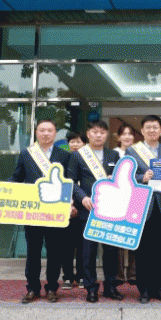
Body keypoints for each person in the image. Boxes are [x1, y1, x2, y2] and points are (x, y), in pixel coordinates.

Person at [11, 119, 71, 303]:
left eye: (50, 130)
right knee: (33, 252)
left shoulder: (64, 155)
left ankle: (52, 288)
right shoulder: (27, 153)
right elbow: (17, 177)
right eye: (42, 130)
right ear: (36, 132)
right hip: (33, 212)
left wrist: (71, 203)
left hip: (55, 212)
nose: (46, 133)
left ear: (55, 133)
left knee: (54, 252)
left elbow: (69, 181)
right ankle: (32, 289)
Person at [67, 120, 122, 303]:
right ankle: (91, 288)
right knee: (88, 252)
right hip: (87, 210)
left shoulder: (114, 154)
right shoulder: (78, 155)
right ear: (88, 134)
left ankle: (111, 286)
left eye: (102, 132)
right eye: (95, 132)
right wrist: (82, 197)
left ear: (106, 135)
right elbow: (71, 182)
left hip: (109, 210)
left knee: (111, 251)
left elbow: (121, 180)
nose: (98, 135)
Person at [125, 115, 161, 303]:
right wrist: (142, 178)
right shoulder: (132, 151)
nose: (152, 130)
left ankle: (159, 289)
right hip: (142, 207)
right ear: (142, 130)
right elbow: (127, 177)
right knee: (143, 252)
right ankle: (144, 290)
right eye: (148, 127)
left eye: (155, 127)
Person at [61, 131, 85, 290]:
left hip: (84, 207)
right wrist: (69, 204)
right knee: (67, 245)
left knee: (83, 245)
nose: (75, 144)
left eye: (78, 141)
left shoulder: (88, 160)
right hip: (66, 208)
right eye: (72, 142)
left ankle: (82, 276)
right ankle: (68, 277)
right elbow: (63, 183)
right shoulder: (64, 159)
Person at [113, 123, 136, 285]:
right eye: (124, 134)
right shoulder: (113, 154)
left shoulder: (139, 152)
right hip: (118, 198)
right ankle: (119, 274)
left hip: (136, 198)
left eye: (130, 134)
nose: (127, 137)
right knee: (118, 238)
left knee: (135, 236)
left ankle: (133, 274)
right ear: (119, 136)